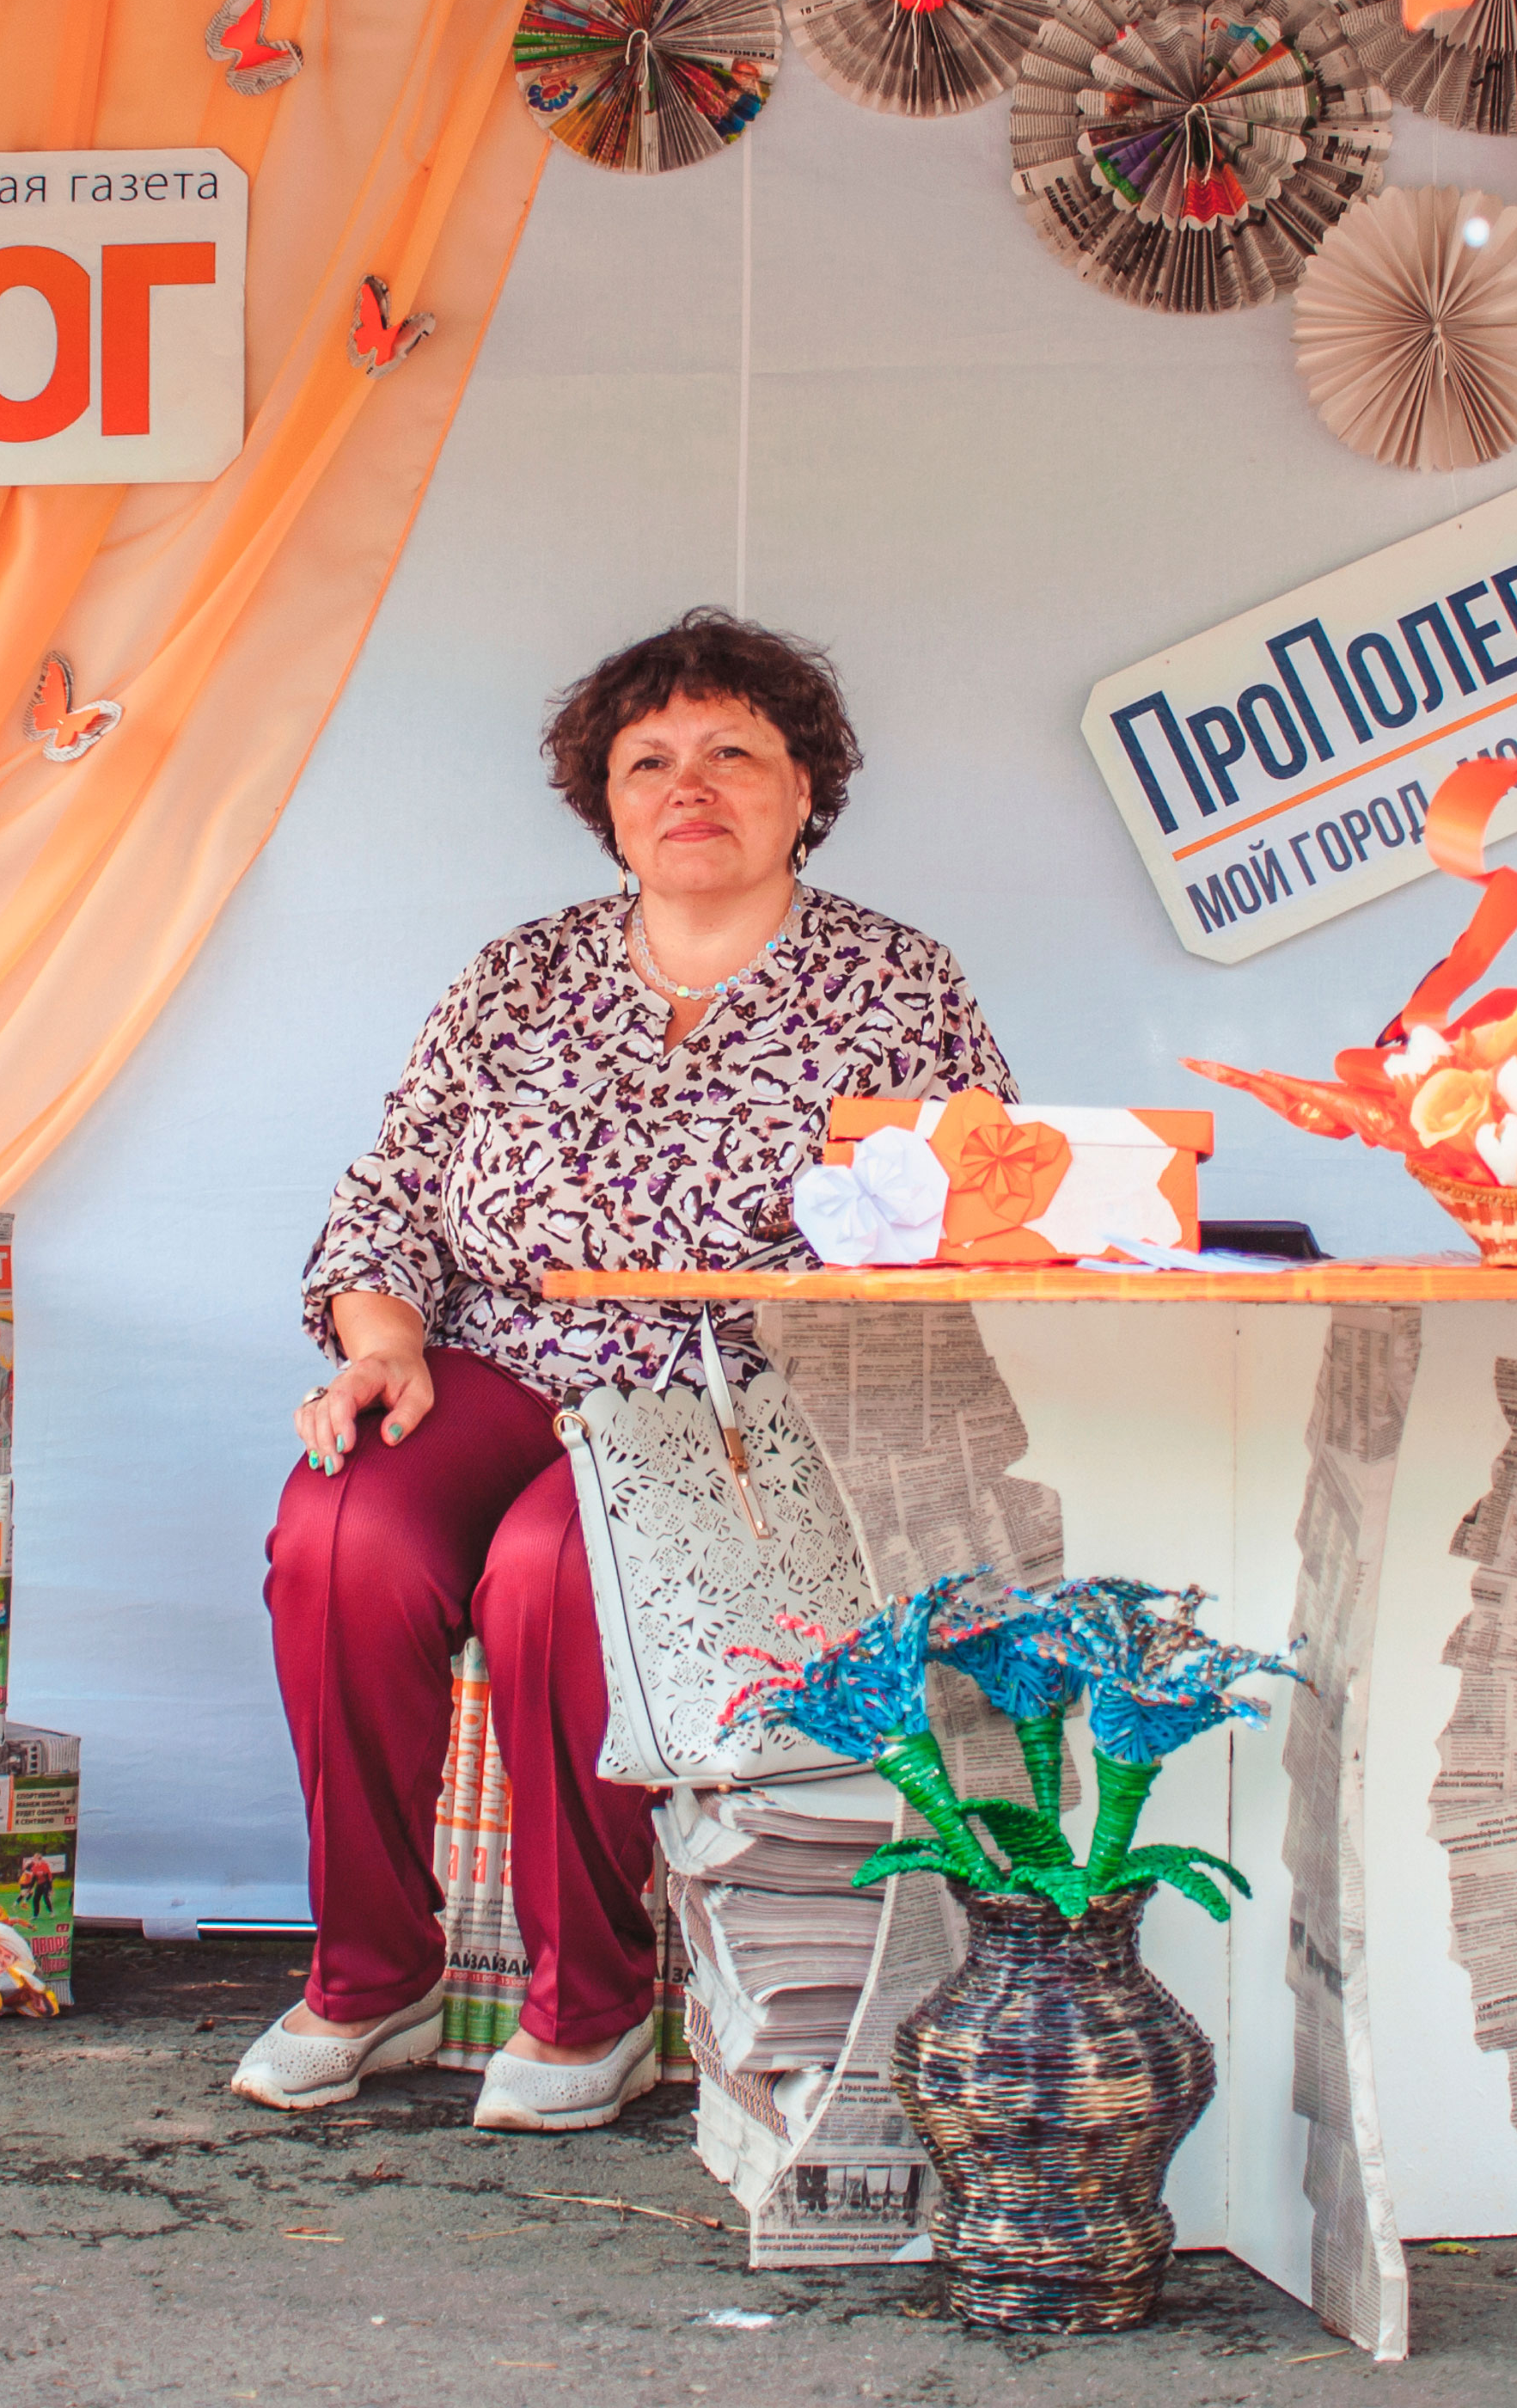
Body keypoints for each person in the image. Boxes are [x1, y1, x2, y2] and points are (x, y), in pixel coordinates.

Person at [244, 609, 1012, 2132]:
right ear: (606, 801)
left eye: (735, 752)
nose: (689, 785)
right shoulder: (516, 975)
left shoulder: (894, 983)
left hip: (737, 1403)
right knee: (341, 1533)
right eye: (649, 760)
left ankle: (587, 2006)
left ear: (806, 788)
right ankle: (371, 1973)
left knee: (557, 1571)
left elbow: (978, 1225)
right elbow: (390, 1195)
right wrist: (382, 1348)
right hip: (503, 1360)